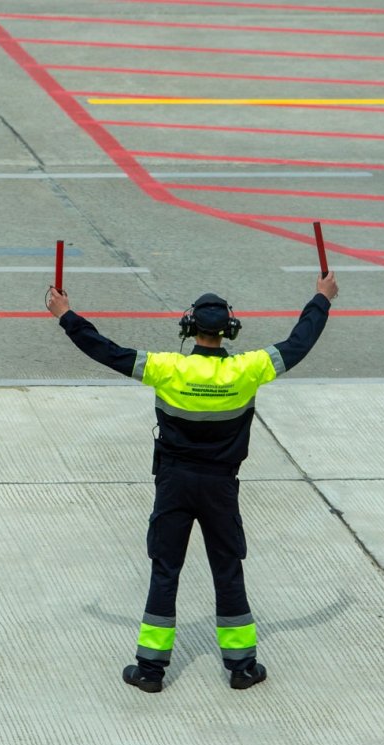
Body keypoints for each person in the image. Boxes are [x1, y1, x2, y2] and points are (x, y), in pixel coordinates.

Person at [45, 271, 338, 693]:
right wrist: (321, 299)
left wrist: (66, 314)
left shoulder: (167, 368)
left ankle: (150, 670)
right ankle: (241, 667)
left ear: (189, 328)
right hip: (221, 486)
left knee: (165, 571)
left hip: (174, 484)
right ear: (230, 331)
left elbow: (104, 350)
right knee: (227, 570)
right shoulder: (248, 369)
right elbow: (299, 343)